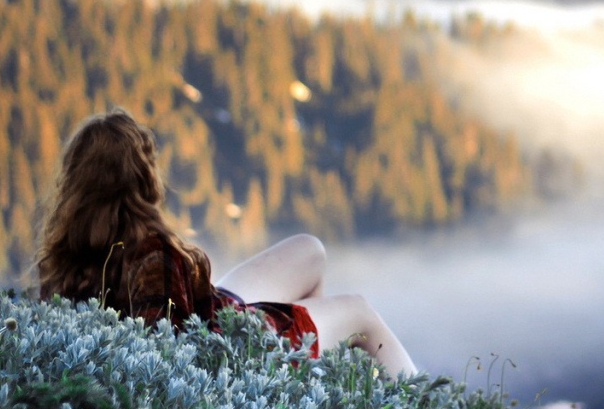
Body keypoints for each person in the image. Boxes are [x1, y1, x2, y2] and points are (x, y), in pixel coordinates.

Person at [35, 108, 416, 377]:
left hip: (214, 311)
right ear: (143, 177)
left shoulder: (64, 258)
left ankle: (312, 370)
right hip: (239, 347)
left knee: (310, 250)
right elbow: (172, 352)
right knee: (359, 311)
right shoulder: (152, 254)